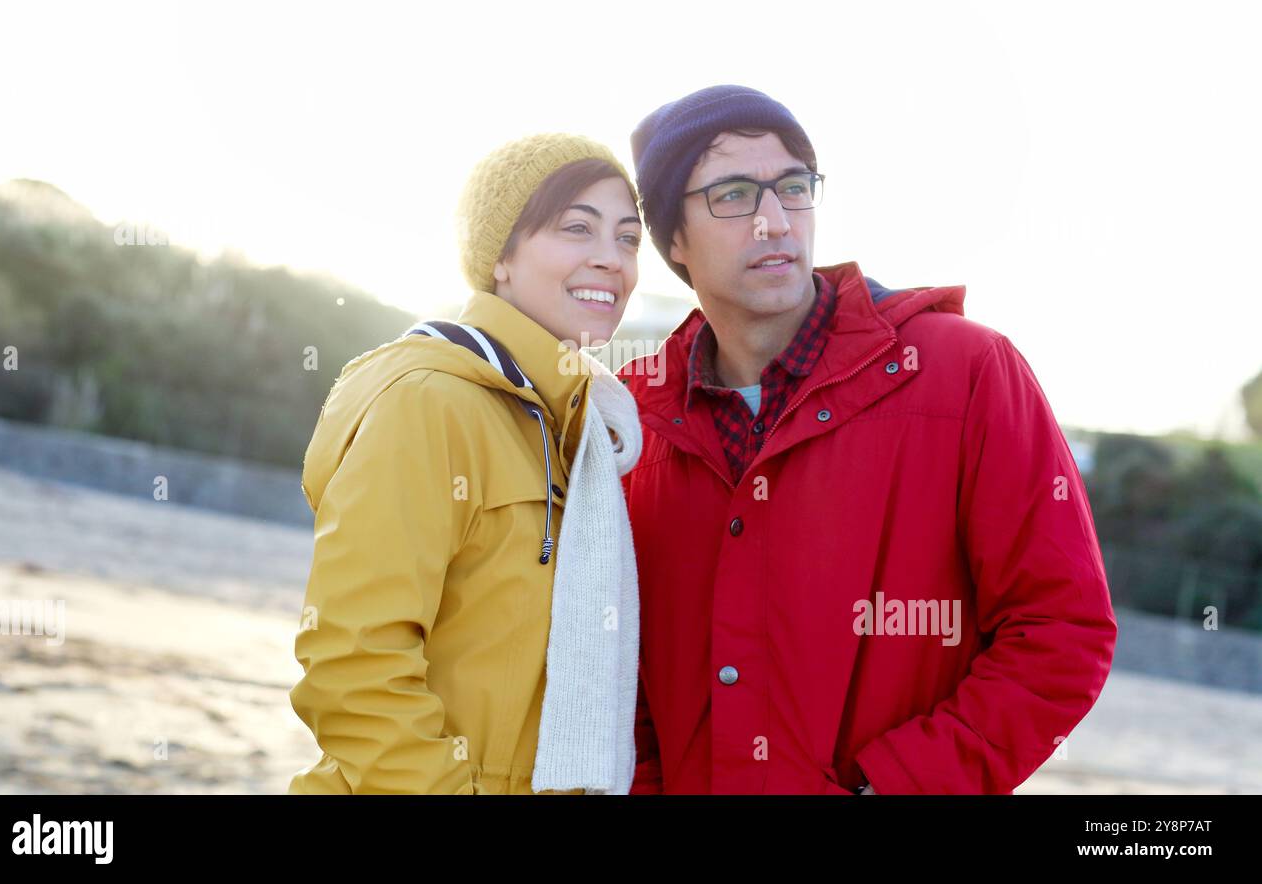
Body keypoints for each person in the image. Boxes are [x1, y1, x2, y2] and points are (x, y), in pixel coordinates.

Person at [618, 85, 1118, 794]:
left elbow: (1060, 633)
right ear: (672, 238)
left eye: (792, 187)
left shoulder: (968, 372)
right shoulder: (631, 421)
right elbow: (617, 664)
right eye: (733, 194)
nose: (773, 221)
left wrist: (893, 788)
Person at [288, 134, 645, 794]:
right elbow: (353, 663)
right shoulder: (431, 401)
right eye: (577, 228)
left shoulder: (578, 434)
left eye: (628, 238)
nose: (610, 260)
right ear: (500, 255)